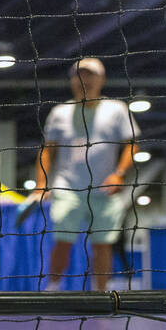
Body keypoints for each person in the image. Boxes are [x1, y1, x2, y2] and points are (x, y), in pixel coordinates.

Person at [29, 57, 138, 291]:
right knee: (63, 240)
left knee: (103, 244)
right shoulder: (59, 112)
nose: (84, 80)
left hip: (104, 190)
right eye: (80, 75)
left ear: (102, 79)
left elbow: (131, 144)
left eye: (90, 75)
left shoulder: (117, 109)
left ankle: (101, 293)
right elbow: (47, 150)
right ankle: (53, 289)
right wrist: (41, 183)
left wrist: (118, 174)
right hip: (67, 188)